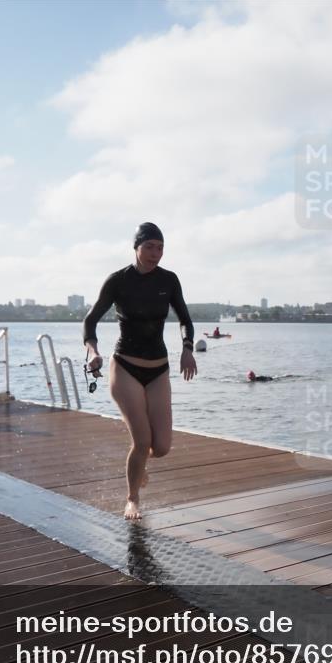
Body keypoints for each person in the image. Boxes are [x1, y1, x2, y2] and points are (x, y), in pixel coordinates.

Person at [83, 222, 197, 520]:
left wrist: (187, 348)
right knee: (142, 440)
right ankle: (132, 498)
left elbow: (185, 318)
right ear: (136, 247)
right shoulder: (118, 281)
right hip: (125, 367)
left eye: (160, 247)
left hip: (158, 368)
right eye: (149, 246)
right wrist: (93, 350)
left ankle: (140, 466)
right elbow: (91, 319)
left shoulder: (169, 280)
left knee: (161, 447)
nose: (155, 253)